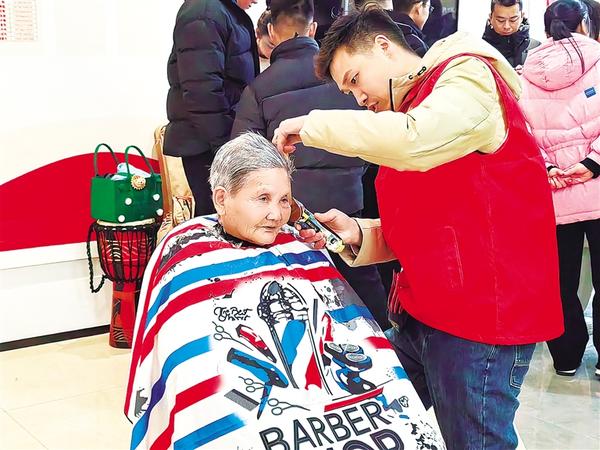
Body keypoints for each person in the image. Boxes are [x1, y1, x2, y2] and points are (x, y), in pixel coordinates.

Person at [272, 5, 564, 449]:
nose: (358, 98)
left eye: (355, 80)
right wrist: (359, 234)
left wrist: (313, 125)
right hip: (422, 313)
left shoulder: (467, 76)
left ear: (383, 46)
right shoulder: (411, 112)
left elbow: (417, 139)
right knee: (366, 416)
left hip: (479, 322)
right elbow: (432, 222)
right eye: (348, 91)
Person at [124, 133, 445, 450]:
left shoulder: (300, 244)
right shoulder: (186, 253)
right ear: (221, 198)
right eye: (262, 199)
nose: (276, 214)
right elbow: (193, 361)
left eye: (284, 200)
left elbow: (344, 330)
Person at [231, 0, 389, 329]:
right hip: (348, 205)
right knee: (365, 289)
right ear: (313, 28)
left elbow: (244, 158)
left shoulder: (258, 88)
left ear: (271, 31)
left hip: (290, 215)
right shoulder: (345, 80)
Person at [519, 0, 600, 378]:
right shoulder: (598, 60)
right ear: (584, 23)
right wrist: (591, 164)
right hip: (597, 188)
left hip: (554, 193)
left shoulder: (526, 73)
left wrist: (549, 168)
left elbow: (522, 135)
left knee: (560, 282)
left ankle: (566, 357)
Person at [164, 0, 259, 217]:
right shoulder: (204, 12)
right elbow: (202, 92)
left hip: (220, 139)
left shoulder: (221, 12)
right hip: (209, 144)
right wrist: (225, 147)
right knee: (218, 220)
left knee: (229, 219)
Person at [482, 0, 540, 70]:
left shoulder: (537, 49)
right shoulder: (480, 49)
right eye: (501, 20)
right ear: (490, 17)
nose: (507, 26)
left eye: (513, 20)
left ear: (522, 16)